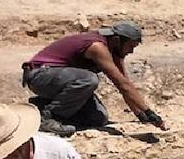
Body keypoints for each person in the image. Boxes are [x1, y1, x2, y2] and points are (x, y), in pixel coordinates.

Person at [22, 21, 167, 137]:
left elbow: (125, 84)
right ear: (117, 40)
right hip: (40, 76)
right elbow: (123, 85)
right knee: (89, 79)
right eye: (130, 46)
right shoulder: (97, 47)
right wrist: (151, 114)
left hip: (57, 81)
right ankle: (49, 118)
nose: (131, 51)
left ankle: (43, 105)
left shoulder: (115, 51)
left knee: (98, 119)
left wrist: (140, 115)